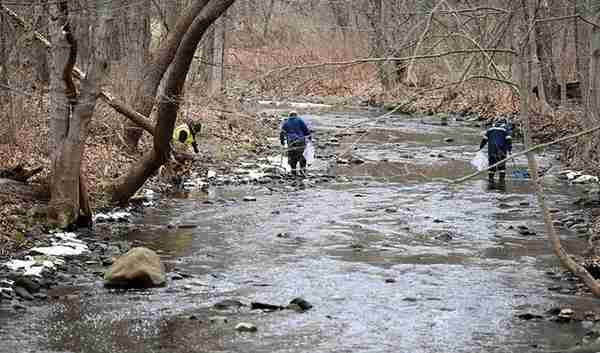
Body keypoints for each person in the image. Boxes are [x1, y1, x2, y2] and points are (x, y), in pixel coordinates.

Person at [479, 118, 512, 184]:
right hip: (502, 150)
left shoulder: (490, 129)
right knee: (502, 165)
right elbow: (508, 140)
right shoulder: (505, 129)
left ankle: (491, 180)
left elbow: (484, 139)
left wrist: (481, 147)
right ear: (505, 123)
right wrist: (510, 149)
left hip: (491, 150)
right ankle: (501, 181)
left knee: (491, 164)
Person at [280, 111, 311, 176]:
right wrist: (309, 137)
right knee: (301, 155)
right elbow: (306, 130)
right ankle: (302, 171)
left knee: (292, 155)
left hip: (291, 141)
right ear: (296, 115)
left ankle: (293, 171)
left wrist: (282, 141)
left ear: (289, 116)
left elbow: (282, 133)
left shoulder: (286, 122)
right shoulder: (300, 120)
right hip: (300, 140)